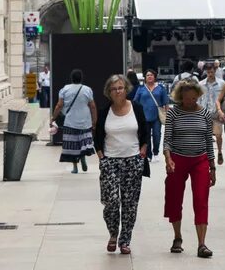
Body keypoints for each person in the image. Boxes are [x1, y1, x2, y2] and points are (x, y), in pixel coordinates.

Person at [94, 74, 150, 254]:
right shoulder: (105, 112)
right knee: (111, 200)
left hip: (133, 159)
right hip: (110, 160)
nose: (118, 91)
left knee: (129, 202)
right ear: (108, 93)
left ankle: (125, 240)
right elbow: (97, 137)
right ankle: (112, 233)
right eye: (114, 89)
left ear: (126, 89)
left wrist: (143, 150)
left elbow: (144, 131)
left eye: (120, 88)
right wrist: (101, 156)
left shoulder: (137, 108)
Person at [164, 79, 217, 257]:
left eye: (194, 98)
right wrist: (168, 158)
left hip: (199, 160)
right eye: (187, 98)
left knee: (201, 200)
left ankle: (202, 244)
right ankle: (177, 237)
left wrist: (212, 166)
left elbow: (209, 141)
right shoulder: (173, 114)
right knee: (174, 198)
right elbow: (167, 139)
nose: (190, 101)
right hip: (177, 160)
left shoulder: (205, 114)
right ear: (180, 97)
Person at [53, 69, 96, 173]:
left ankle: (75, 167)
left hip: (70, 121)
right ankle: (83, 157)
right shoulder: (87, 89)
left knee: (73, 144)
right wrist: (94, 121)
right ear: (81, 78)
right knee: (83, 141)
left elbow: (59, 105)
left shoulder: (65, 89)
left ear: (71, 78)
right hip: (85, 121)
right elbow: (93, 106)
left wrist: (53, 117)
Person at [134, 69, 170, 155]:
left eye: (151, 75)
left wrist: (168, 115)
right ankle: (149, 154)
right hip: (144, 116)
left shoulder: (160, 88)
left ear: (154, 77)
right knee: (146, 136)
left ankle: (156, 152)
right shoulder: (141, 88)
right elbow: (135, 102)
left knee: (156, 135)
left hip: (156, 116)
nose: (149, 76)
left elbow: (166, 103)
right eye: (147, 75)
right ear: (145, 78)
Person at [199, 62, 225, 166]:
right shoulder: (201, 84)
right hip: (204, 113)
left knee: (218, 135)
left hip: (216, 113)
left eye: (212, 71)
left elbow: (224, 98)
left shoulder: (221, 83)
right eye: (208, 72)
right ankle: (208, 156)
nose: (210, 73)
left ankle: (219, 151)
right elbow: (198, 98)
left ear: (215, 71)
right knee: (206, 136)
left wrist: (222, 110)